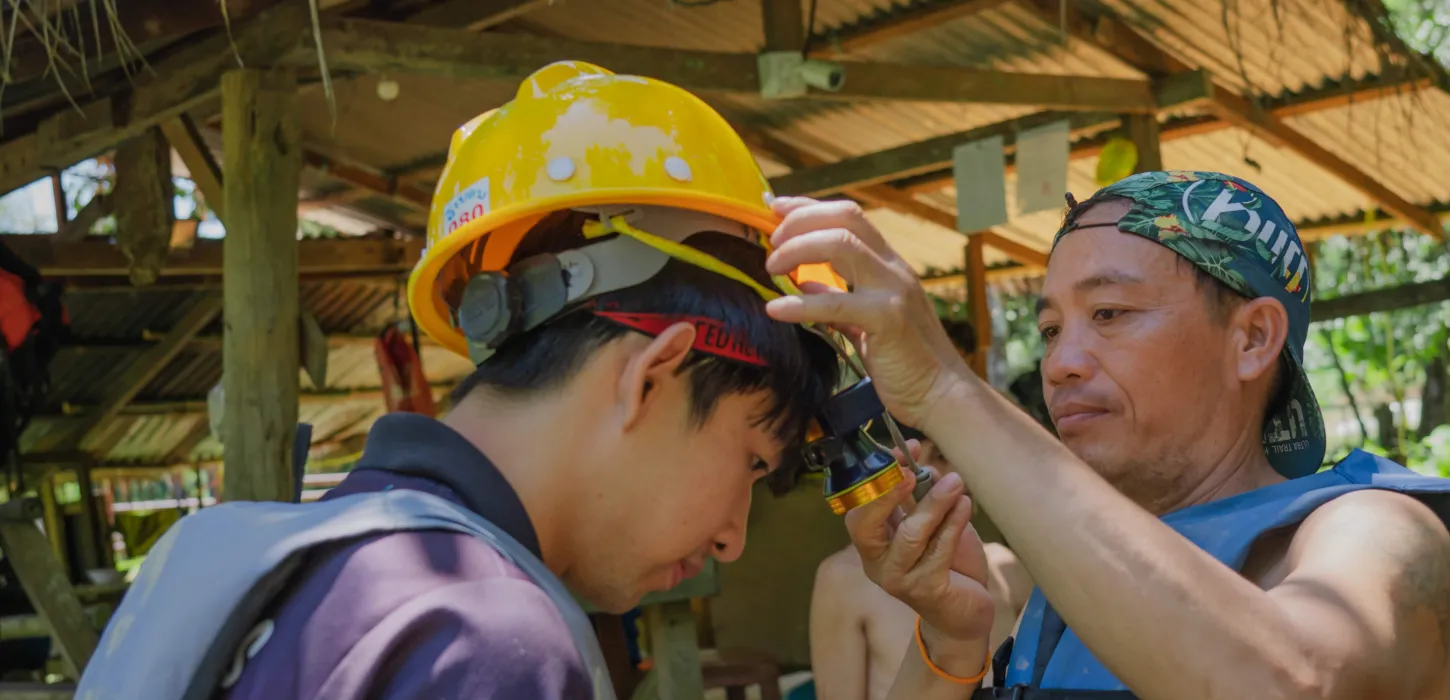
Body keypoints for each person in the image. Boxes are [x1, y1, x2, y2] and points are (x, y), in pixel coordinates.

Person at [75, 61, 844, 700]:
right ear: (652, 375)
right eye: (751, 461)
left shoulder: (259, 562)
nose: (732, 538)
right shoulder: (485, 637)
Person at [760, 170, 1450, 699]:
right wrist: (950, 637)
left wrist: (947, 387)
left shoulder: (1374, 529)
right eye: (1052, 329)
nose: (1059, 364)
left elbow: (1290, 683)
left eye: (1111, 313)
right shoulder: (1069, 586)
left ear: (1253, 339)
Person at [808, 318, 1033, 700]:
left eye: (973, 458)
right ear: (905, 458)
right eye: (944, 454)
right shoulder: (841, 580)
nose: (956, 474)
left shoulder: (1007, 567)